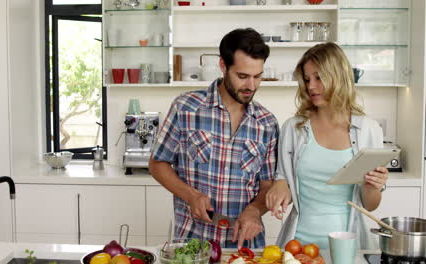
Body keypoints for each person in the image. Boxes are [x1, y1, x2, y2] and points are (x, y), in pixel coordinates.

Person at [149, 28, 279, 248]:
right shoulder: (186, 107)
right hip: (192, 245)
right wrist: (190, 196)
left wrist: (255, 210)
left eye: (258, 76)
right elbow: (157, 163)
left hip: (245, 248)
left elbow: (267, 185)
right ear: (223, 66)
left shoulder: (267, 123)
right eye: (242, 76)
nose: (251, 86)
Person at [265, 42, 388, 249]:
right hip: (298, 245)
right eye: (307, 79)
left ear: (338, 76)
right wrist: (279, 185)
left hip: (349, 247)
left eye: (319, 77)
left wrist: (371, 185)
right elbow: (282, 178)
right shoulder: (293, 128)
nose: (311, 86)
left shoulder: (369, 129)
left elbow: (371, 205)